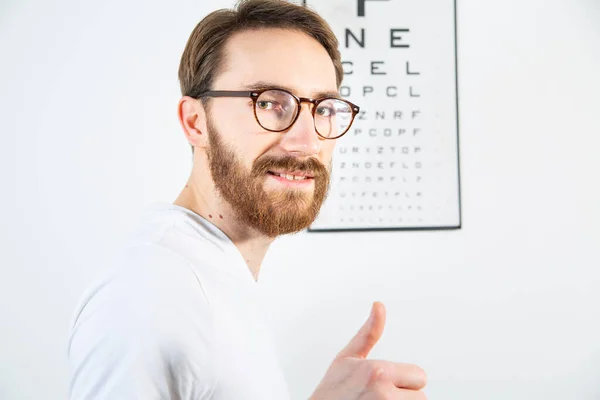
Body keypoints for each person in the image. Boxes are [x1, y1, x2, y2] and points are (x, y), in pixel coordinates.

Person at [67, 0, 427, 398]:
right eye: (270, 103)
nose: (307, 141)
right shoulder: (149, 295)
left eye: (323, 108)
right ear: (195, 121)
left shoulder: (214, 273)